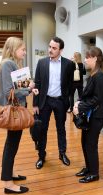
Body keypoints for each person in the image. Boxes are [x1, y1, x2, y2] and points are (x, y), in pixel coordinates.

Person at [0, 37, 38, 194]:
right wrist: (28, 89)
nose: (25, 52)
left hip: (17, 109)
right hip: (15, 111)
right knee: (11, 145)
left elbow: (14, 87)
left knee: (12, 144)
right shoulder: (8, 64)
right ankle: (8, 183)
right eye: (23, 49)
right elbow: (8, 93)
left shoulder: (11, 64)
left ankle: (10, 174)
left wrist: (29, 87)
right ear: (13, 49)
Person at [33, 36, 75, 169]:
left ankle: (62, 153)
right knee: (42, 129)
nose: (50, 50)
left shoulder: (69, 64)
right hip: (44, 101)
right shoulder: (42, 63)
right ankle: (41, 155)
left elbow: (71, 85)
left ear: (60, 50)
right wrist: (35, 104)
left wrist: (68, 102)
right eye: (50, 46)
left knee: (61, 129)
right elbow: (37, 84)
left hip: (60, 102)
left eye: (54, 48)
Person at [72, 46, 103, 183]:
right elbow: (88, 95)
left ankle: (94, 173)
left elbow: (97, 99)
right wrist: (78, 102)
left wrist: (79, 106)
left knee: (90, 144)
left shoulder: (100, 76)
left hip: (97, 116)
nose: (85, 60)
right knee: (85, 142)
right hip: (90, 115)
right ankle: (88, 168)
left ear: (95, 58)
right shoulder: (93, 74)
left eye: (88, 57)